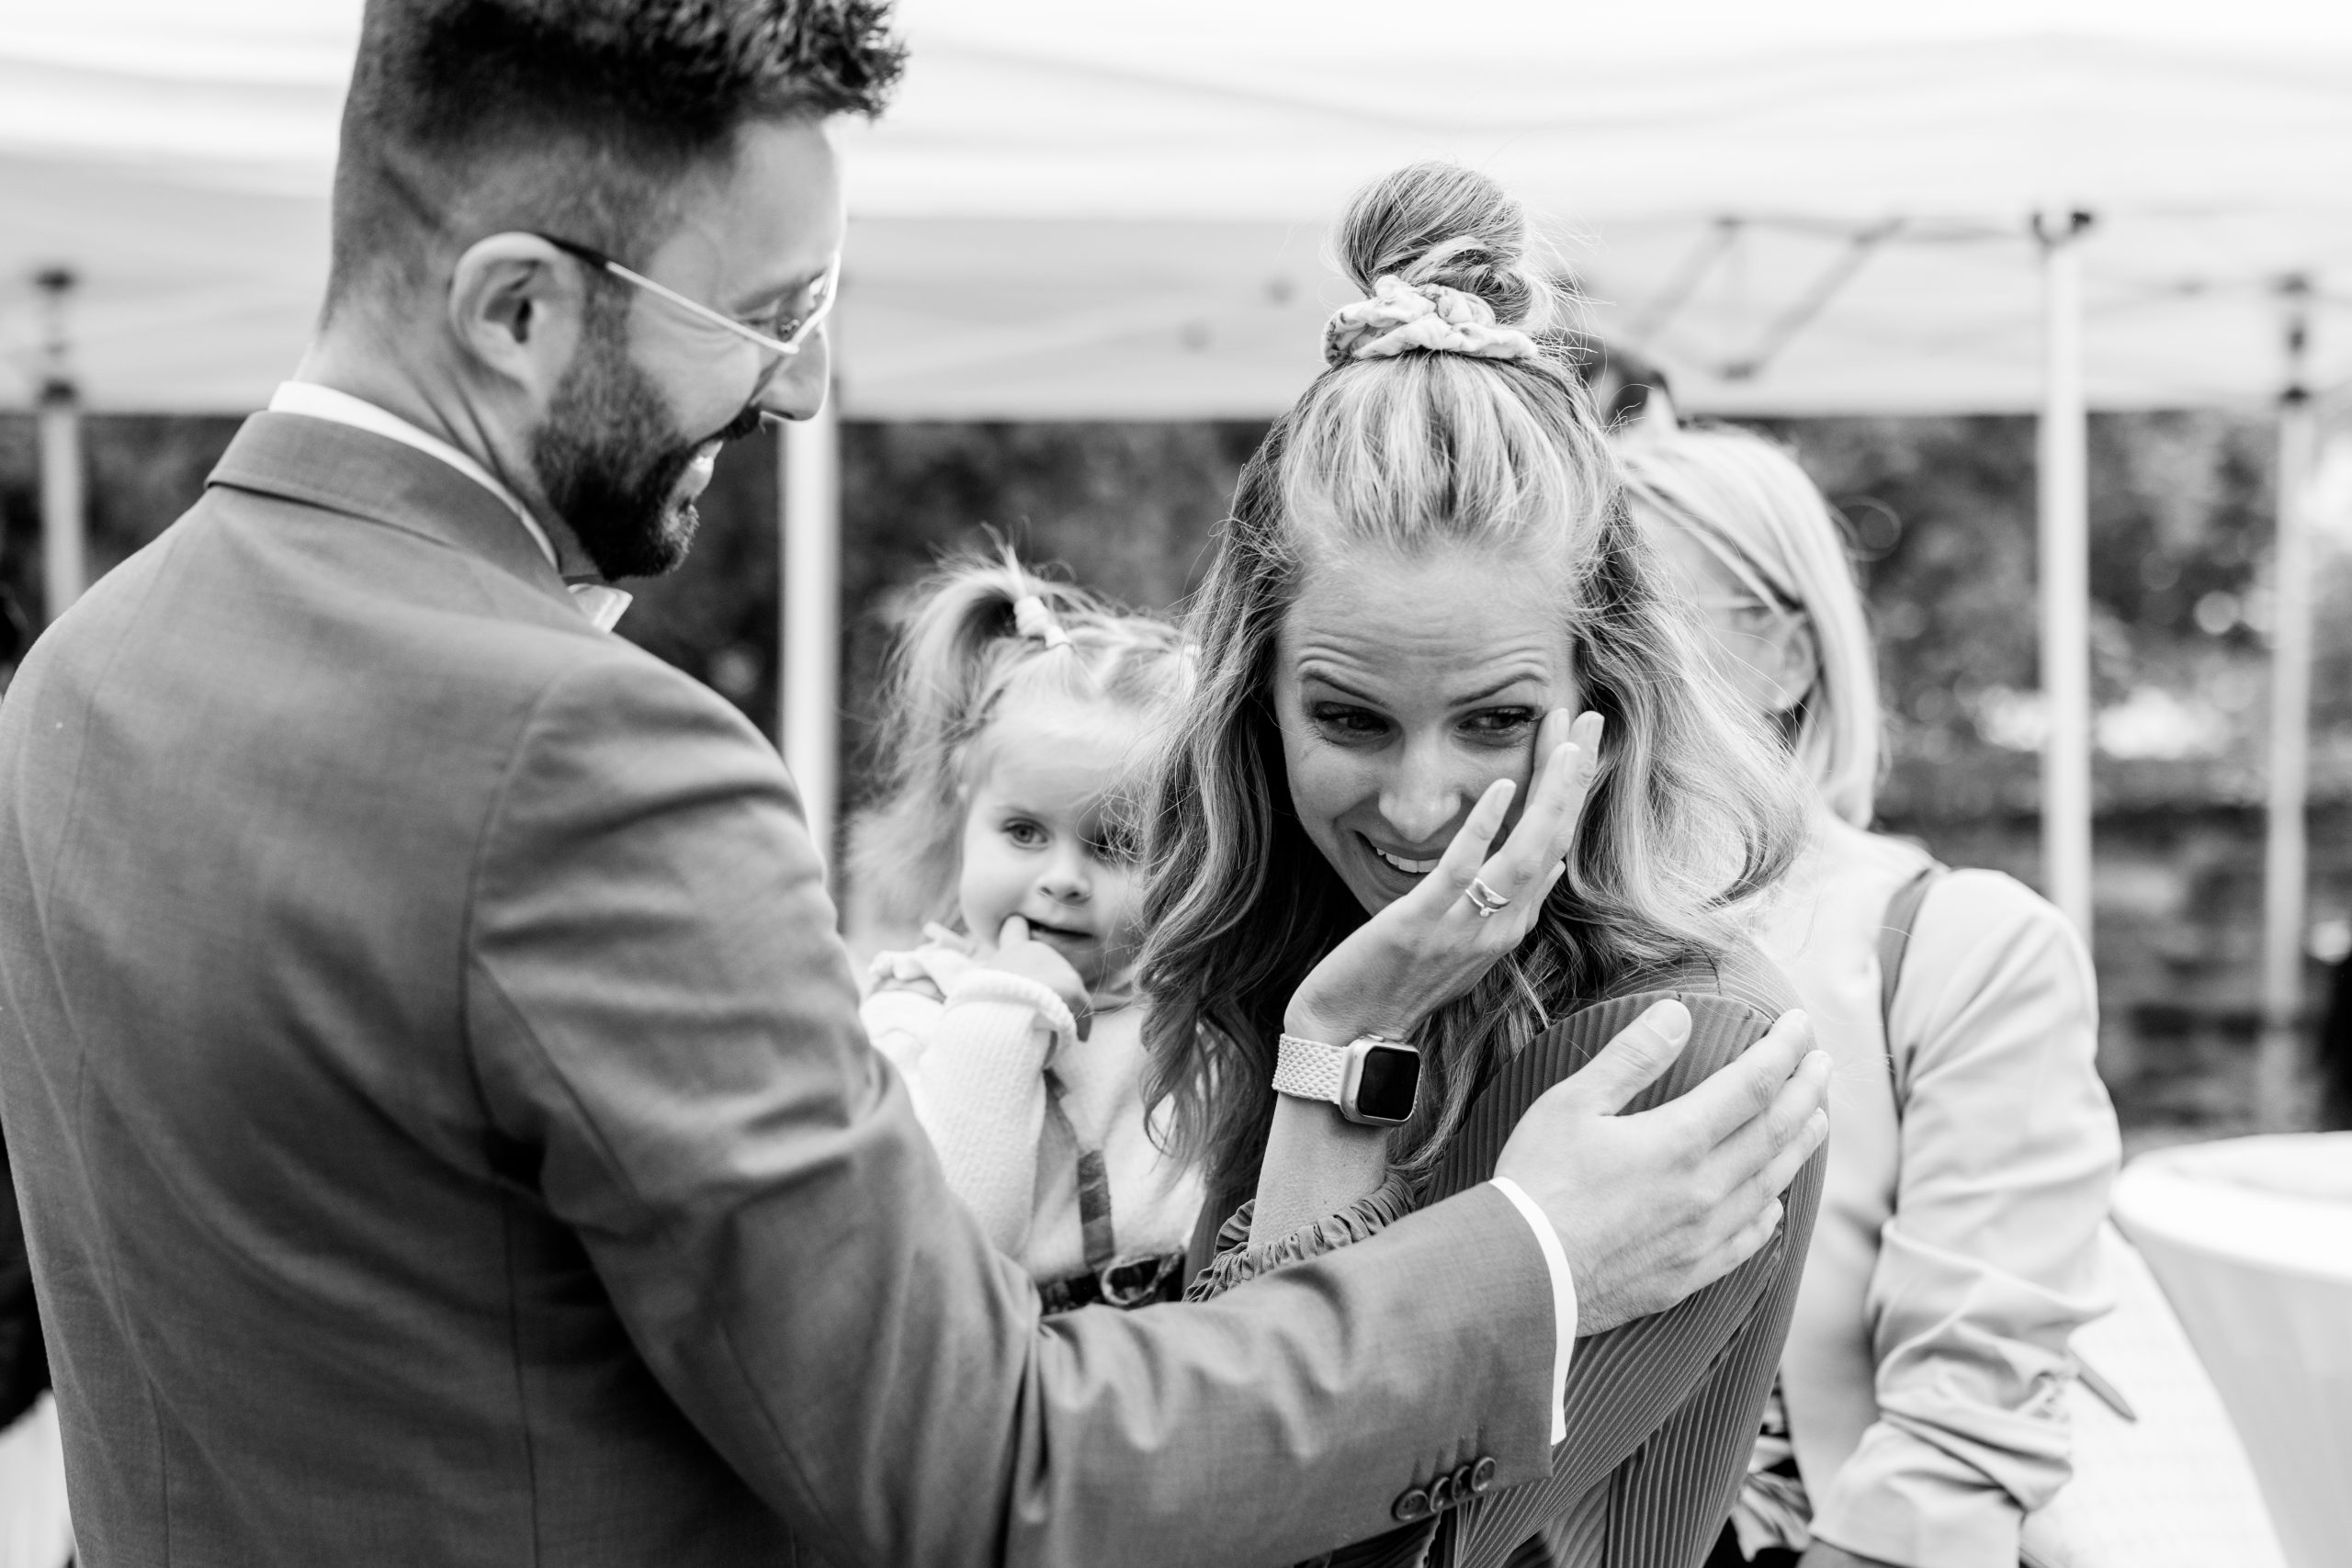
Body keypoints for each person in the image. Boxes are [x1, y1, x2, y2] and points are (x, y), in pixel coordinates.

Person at [0, 6, 1833, 1566]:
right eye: (762, 312)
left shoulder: (87, 676)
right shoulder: (577, 763)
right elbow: (985, 1472)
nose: (798, 389)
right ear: (516, 312)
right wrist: (1530, 1253)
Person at [1142, 162, 1831, 1568]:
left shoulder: (1683, 1046)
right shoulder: (1283, 964)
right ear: (1255, 708)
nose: (1421, 804)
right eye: (1349, 718)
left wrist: (1342, 1057)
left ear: (1604, 698)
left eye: (1496, 720)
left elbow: (1291, 1534)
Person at [1621, 428, 2120, 1568]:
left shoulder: (1964, 945)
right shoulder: (1499, 932)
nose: (1600, 671)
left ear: (1789, 658)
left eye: (1642, 621)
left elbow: (1966, 1410)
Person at [854, 553, 1201, 1310]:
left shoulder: (1195, 1011)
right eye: (1023, 831)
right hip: (1010, 1359)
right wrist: (1002, 1009)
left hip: (1171, 1360)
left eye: (1115, 844)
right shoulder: (915, 1012)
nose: (1064, 878)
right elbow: (955, 1244)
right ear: (963, 804)